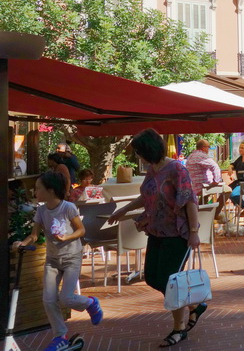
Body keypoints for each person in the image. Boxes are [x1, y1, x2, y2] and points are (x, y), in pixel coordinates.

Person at [109, 129, 203, 348]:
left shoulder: (176, 169)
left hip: (177, 234)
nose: (139, 157)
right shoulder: (153, 170)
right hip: (156, 231)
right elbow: (146, 196)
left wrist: (194, 232)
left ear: (150, 149)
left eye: (140, 152)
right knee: (152, 277)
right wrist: (123, 210)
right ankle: (194, 306)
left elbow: (189, 200)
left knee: (170, 282)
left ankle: (179, 329)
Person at [13, 172, 103, 351]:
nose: (35, 191)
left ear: (51, 190)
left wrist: (67, 237)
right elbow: (34, 235)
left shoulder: (68, 207)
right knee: (48, 299)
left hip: (71, 258)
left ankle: (91, 303)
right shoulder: (41, 210)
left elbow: (81, 230)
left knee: (66, 298)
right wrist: (22, 243)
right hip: (52, 260)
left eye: (38, 188)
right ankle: (60, 335)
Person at [186, 139, 225, 217]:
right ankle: (215, 214)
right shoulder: (202, 156)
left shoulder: (190, 156)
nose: (208, 149)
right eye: (208, 147)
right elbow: (215, 166)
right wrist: (217, 180)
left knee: (207, 195)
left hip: (194, 187)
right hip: (203, 186)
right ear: (203, 147)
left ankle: (201, 214)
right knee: (228, 190)